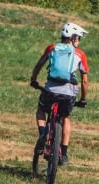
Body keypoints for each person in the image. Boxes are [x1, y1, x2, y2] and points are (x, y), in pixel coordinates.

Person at [30, 22, 89, 165]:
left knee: (41, 110)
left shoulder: (52, 48)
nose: (79, 41)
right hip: (68, 94)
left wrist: (33, 80)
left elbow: (39, 65)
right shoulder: (80, 54)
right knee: (66, 117)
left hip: (50, 91)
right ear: (73, 38)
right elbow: (85, 80)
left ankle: (43, 132)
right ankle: (64, 153)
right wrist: (83, 99)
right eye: (79, 38)